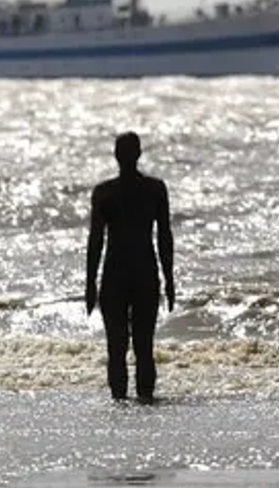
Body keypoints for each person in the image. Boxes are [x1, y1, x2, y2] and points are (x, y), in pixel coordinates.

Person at [84, 131, 175, 402]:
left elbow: (96, 240)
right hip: (145, 272)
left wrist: (90, 282)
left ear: (116, 155)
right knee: (143, 345)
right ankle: (144, 400)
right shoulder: (154, 189)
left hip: (114, 275)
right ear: (139, 154)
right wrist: (169, 278)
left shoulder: (104, 193)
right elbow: (164, 237)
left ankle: (120, 403)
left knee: (117, 346)